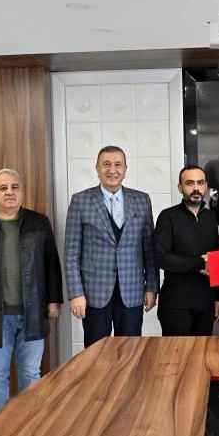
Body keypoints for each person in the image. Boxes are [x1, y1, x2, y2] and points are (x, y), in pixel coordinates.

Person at [0, 169, 63, 415]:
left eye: (15, 187)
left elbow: (51, 263)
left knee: (31, 373)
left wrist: (54, 300)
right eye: (3, 188)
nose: (9, 192)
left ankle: (29, 425)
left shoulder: (39, 222)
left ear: (22, 192)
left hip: (33, 313)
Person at [64, 146, 159, 348]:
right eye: (106, 164)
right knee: (95, 354)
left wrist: (151, 287)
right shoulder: (80, 201)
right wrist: (76, 293)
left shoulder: (142, 200)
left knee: (130, 353)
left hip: (132, 291)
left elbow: (149, 250)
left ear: (125, 169)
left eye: (118, 164)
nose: (112, 170)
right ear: (97, 168)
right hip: (94, 293)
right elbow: (71, 253)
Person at [153, 165, 219, 336]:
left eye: (200, 183)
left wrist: (218, 298)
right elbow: (161, 258)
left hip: (206, 302)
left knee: (203, 352)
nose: (196, 188)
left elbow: (215, 260)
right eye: (190, 183)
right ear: (180, 188)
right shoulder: (167, 217)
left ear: (206, 186)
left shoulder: (210, 217)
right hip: (176, 304)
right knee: (177, 354)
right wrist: (200, 263)